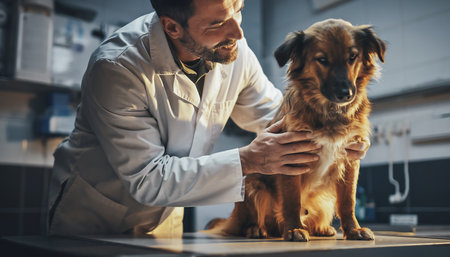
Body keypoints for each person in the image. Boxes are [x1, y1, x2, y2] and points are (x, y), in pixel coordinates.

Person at [47, 0, 368, 236]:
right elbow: (147, 178)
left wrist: (338, 137)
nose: (237, 32)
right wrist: (248, 160)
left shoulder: (234, 51)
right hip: (95, 220)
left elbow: (278, 117)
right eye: (217, 23)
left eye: (238, 8)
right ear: (172, 27)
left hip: (165, 222)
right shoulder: (117, 69)